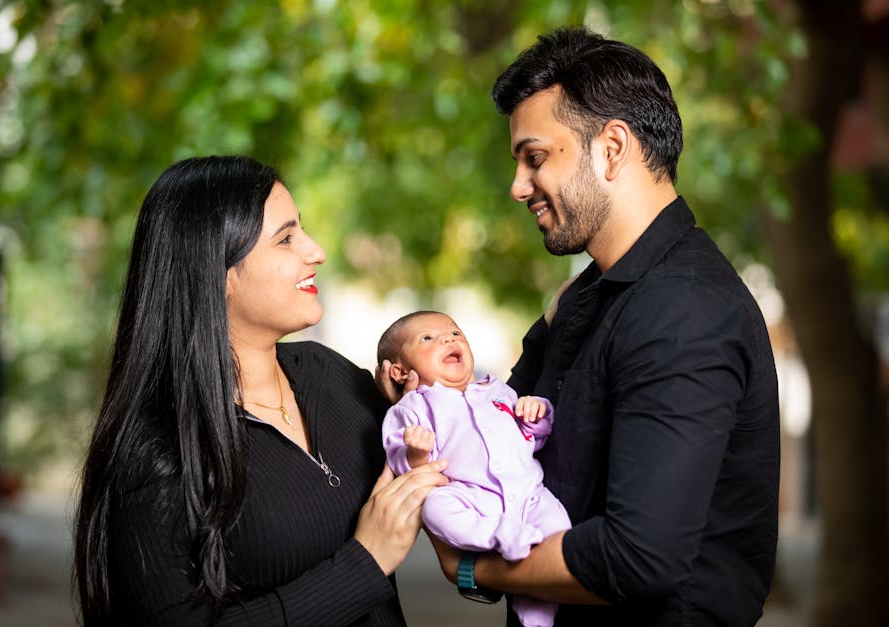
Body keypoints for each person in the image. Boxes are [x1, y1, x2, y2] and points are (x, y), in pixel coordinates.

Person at [381, 26, 780, 626]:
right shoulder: (590, 294)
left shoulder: (684, 312)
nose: (518, 187)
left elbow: (639, 558)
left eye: (535, 158)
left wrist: (471, 568)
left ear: (612, 148)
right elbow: (500, 429)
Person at [73, 156, 449, 626]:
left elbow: (469, 440)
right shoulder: (155, 451)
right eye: (286, 238)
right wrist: (365, 562)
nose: (315, 251)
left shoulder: (331, 377)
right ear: (217, 272)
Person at [377, 310, 571, 627]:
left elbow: (529, 442)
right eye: (428, 338)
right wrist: (416, 450)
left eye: (455, 333)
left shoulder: (498, 392)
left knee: (560, 535)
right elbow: (405, 466)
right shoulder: (414, 406)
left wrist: (537, 417)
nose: (448, 339)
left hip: (531, 495)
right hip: (474, 499)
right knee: (437, 509)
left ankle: (537, 606)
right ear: (399, 371)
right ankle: (499, 536)